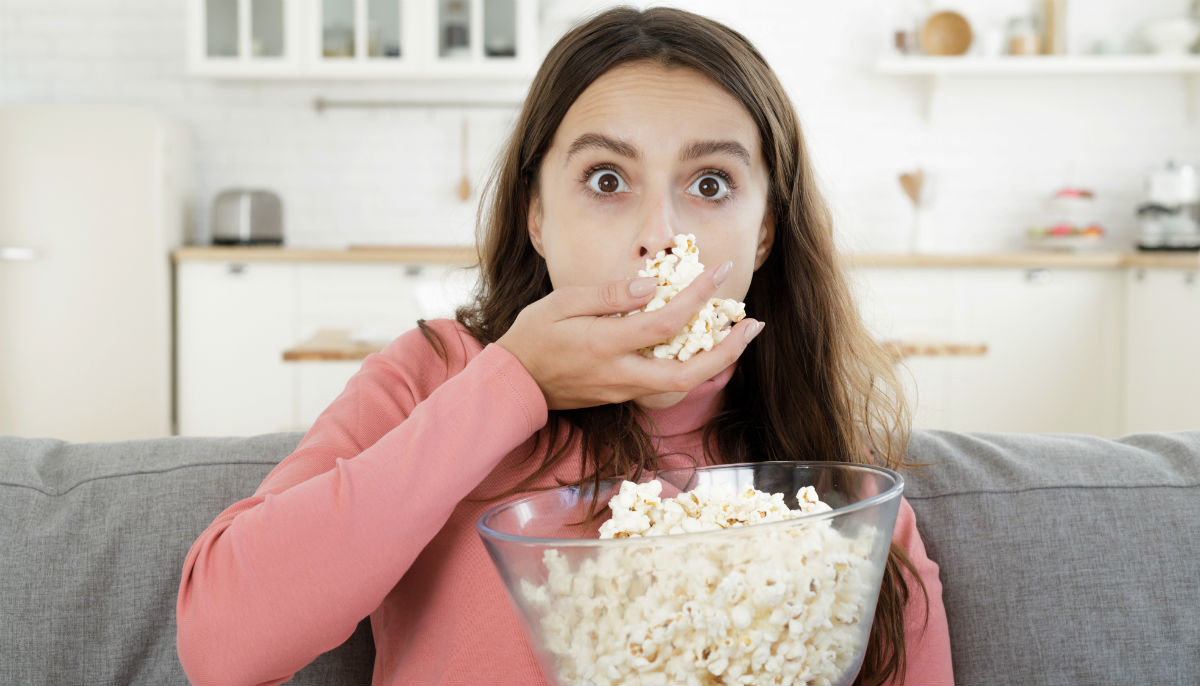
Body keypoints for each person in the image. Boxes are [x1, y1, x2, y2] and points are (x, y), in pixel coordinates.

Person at [176, 6, 954, 685]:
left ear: (765, 234)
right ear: (536, 217)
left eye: (711, 183)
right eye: (607, 180)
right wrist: (513, 382)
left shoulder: (836, 482)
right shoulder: (435, 377)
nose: (661, 237)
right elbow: (223, 646)